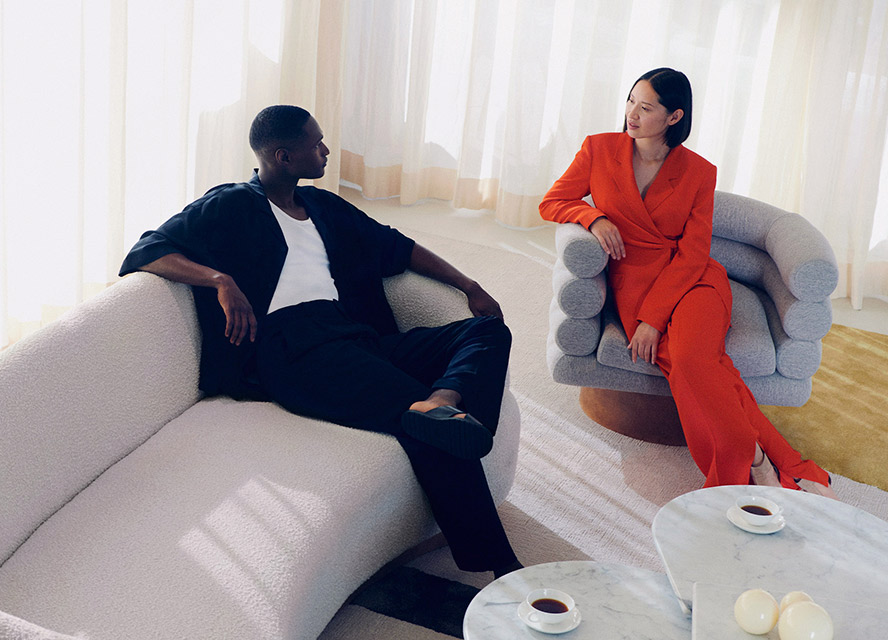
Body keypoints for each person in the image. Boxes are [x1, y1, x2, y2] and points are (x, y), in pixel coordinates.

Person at [119, 105, 523, 577]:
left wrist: (468, 285)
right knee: (427, 428)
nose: (326, 150)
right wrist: (218, 279)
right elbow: (146, 250)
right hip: (293, 352)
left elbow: (398, 247)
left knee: (485, 332)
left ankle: (444, 398)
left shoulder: (324, 207)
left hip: (356, 337)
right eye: (317, 143)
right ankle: (502, 568)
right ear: (284, 156)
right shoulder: (231, 205)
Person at [539, 68, 836, 498]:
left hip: (693, 282)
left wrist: (653, 320)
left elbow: (694, 253)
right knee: (708, 369)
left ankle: (738, 471)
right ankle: (769, 462)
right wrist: (594, 216)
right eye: (630, 101)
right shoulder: (598, 149)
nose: (631, 114)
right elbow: (553, 201)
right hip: (633, 287)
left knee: (692, 359)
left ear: (674, 116)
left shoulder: (699, 171)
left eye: (646, 107)